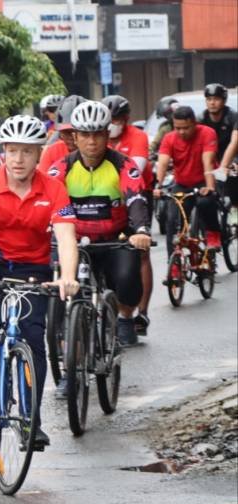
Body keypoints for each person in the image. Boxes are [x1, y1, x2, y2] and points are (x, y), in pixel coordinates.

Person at [0, 115, 78, 449]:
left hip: (32, 267)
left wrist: (67, 277)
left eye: (27, 151)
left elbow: (66, 238)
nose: (19, 159)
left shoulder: (53, 188)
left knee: (34, 339)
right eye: (12, 151)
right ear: (2, 153)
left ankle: (31, 419)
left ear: (40, 155)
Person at [48, 101, 151, 348]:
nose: (91, 141)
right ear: (75, 136)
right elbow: (49, 200)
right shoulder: (61, 168)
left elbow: (135, 197)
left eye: (97, 134)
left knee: (128, 279)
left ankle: (125, 317)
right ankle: (65, 344)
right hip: (75, 240)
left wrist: (141, 230)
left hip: (116, 236)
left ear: (107, 135)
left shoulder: (124, 165)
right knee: (57, 284)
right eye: (85, 134)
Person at [103, 95, 155, 336]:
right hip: (103, 202)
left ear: (126, 120)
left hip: (135, 197)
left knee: (140, 253)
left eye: (116, 120)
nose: (111, 124)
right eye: (108, 120)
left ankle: (140, 312)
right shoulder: (97, 137)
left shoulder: (138, 137)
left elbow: (136, 167)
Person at [154, 106, 221, 250]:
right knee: (172, 218)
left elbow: (208, 161)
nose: (181, 132)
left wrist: (209, 187)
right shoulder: (169, 138)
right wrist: (157, 186)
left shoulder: (207, 133)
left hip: (204, 180)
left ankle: (213, 234)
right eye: (177, 128)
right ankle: (174, 263)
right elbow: (163, 163)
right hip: (182, 183)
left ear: (194, 123)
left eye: (186, 128)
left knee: (205, 203)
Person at [38, 95, 86, 173]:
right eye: (65, 132)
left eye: (76, 131)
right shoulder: (52, 151)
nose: (71, 137)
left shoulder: (104, 152)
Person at [199, 83, 236, 162]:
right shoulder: (201, 119)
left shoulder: (233, 117)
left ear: (224, 101)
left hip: (232, 159)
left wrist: (232, 163)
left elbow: (234, 143)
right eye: (209, 99)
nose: (212, 103)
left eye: (216, 99)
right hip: (209, 160)